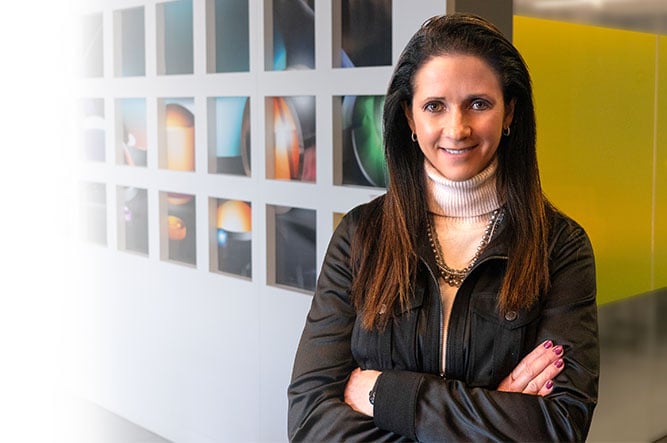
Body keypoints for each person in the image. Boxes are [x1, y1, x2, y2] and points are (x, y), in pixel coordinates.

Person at [288, 13, 599, 442]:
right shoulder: (361, 235)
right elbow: (310, 420)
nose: (457, 128)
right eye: (435, 106)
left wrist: (383, 393)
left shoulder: (560, 247)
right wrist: (492, 409)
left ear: (509, 112)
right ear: (410, 119)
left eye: (478, 103)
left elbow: (558, 426)